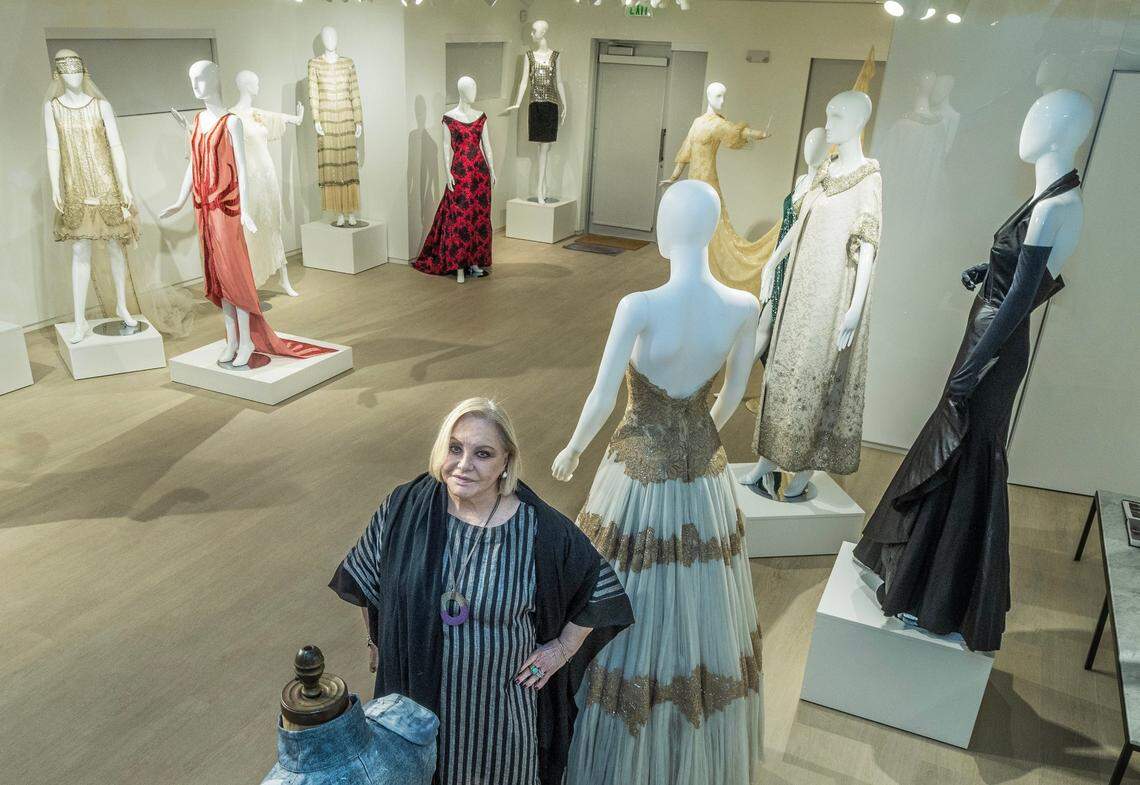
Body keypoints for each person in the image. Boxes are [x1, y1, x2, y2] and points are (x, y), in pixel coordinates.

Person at [329, 398, 633, 785]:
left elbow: (598, 586)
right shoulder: (404, 507)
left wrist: (562, 649)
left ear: (506, 461)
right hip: (418, 707)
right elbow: (366, 577)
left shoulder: (538, 529)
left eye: (483, 454)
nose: (463, 464)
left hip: (500, 718)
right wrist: (376, 639)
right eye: (455, 448)